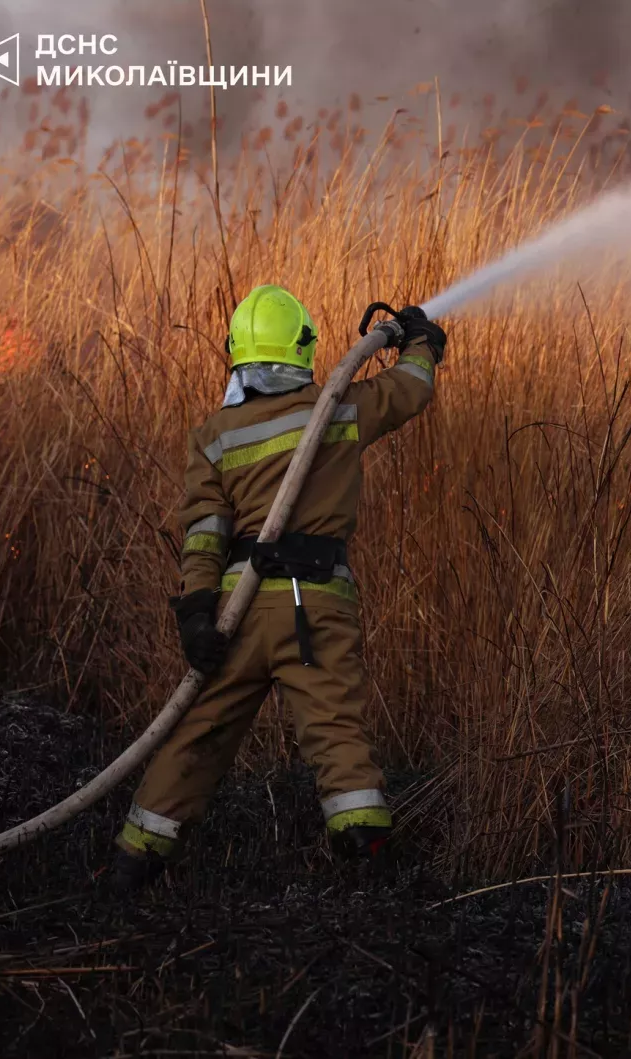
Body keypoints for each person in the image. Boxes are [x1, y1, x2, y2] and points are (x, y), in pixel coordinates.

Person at [110, 284, 444, 891]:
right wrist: (419, 342)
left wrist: (198, 613)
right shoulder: (338, 407)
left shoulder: (214, 436)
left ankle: (135, 861)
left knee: (198, 732)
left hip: (235, 614)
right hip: (312, 607)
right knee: (335, 727)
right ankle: (368, 859)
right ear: (305, 348)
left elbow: (204, 533)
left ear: (237, 353)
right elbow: (410, 391)